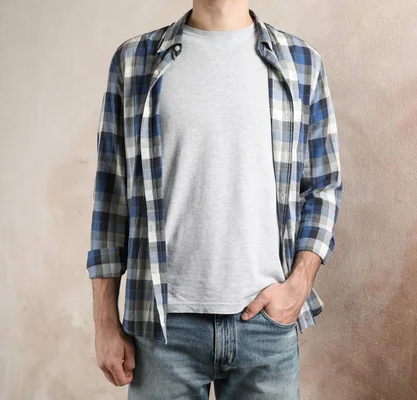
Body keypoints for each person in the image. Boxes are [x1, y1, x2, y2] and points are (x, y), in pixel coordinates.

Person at [86, 1, 342, 398]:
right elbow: (110, 195)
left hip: (265, 329)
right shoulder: (134, 61)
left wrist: (299, 284)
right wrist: (104, 320)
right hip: (162, 328)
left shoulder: (301, 63)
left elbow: (323, 186)